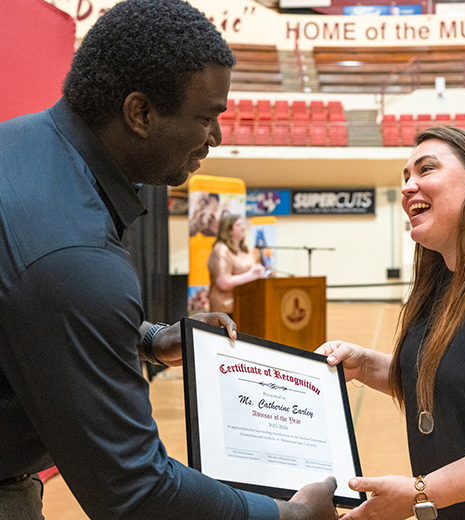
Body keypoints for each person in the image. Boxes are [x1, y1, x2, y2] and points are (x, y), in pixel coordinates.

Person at [0, 1, 338, 519]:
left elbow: (24, 316)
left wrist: (146, 339)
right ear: (140, 113)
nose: (217, 136)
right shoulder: (74, 255)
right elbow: (133, 492)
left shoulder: (20, 144)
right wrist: (287, 516)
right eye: (206, 117)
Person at [317, 126, 465, 520]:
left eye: (426, 170)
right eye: (406, 176)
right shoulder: (447, 278)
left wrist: (420, 492)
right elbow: (460, 381)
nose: (409, 186)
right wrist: (366, 364)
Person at [207, 214, 266, 314]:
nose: (243, 228)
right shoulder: (220, 250)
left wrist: (259, 270)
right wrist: (252, 275)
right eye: (239, 225)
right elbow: (223, 283)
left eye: (243, 224)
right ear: (228, 230)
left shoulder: (245, 250)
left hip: (247, 305)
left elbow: (253, 271)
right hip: (226, 309)